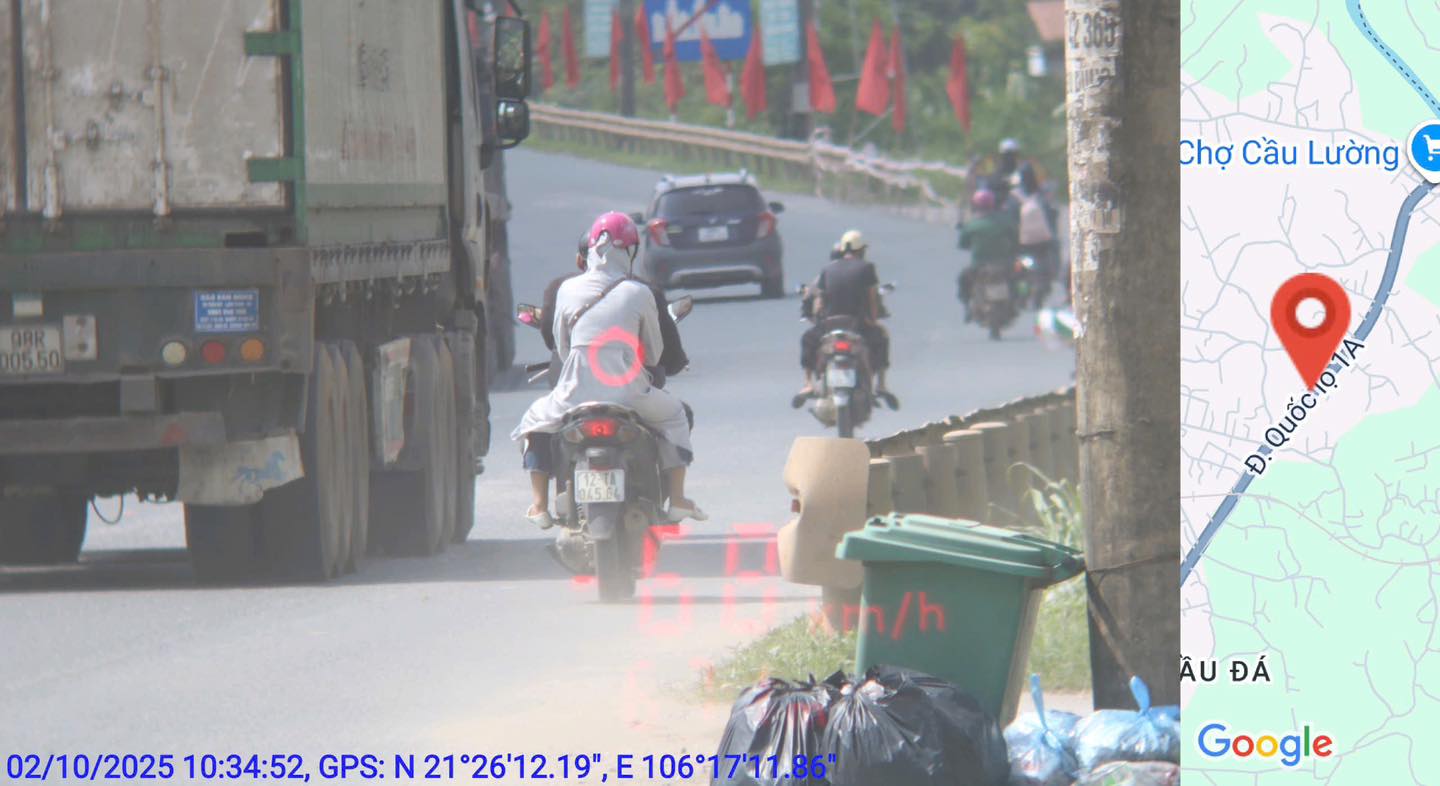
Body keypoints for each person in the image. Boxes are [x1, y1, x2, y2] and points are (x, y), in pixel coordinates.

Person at [514, 212, 704, 528]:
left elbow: (561, 347)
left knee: (533, 422)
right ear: (630, 251)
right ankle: (679, 499)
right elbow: (655, 353)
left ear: (588, 251)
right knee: (675, 416)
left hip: (573, 393)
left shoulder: (566, 290)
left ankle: (538, 505)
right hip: (630, 394)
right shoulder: (639, 292)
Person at [794, 229, 897, 409]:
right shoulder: (867, 268)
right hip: (857, 325)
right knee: (882, 336)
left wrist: (818, 321)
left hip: (829, 325)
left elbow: (819, 301)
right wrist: (872, 321)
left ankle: (808, 383)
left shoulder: (827, 269)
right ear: (862, 251)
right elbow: (872, 299)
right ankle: (881, 384)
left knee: (807, 339)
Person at [957, 189, 1019, 320]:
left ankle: (967, 308)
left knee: (963, 281)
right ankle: (1017, 303)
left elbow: (963, 244)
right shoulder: (1005, 221)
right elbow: (1015, 239)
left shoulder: (972, 224)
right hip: (1004, 265)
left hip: (979, 266)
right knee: (1018, 279)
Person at [1013, 162, 1059, 308]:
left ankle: (1022, 294)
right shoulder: (1042, 194)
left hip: (1024, 241)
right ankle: (1048, 281)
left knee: (1017, 268)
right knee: (1050, 261)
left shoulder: (1015, 196)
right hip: (1044, 240)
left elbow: (1011, 217)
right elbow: (1052, 215)